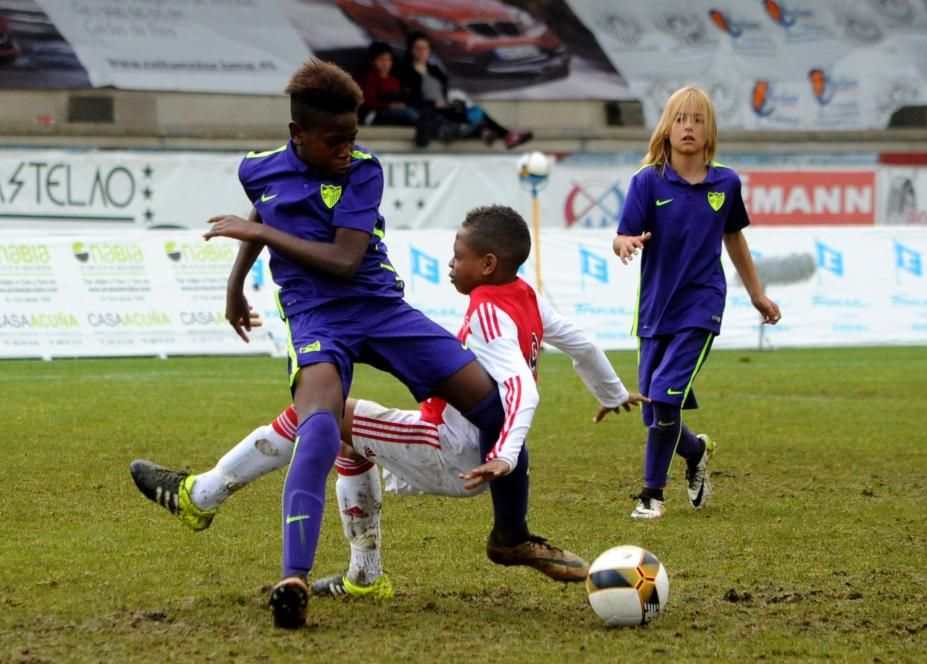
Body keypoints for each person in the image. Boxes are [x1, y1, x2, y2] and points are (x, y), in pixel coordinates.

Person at [186, 59, 582, 628]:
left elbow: (345, 260)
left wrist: (260, 234)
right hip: (316, 316)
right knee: (321, 423)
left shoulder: (364, 170)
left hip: (378, 305)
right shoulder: (258, 169)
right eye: (334, 140)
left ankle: (511, 536)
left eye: (354, 135)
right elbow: (264, 203)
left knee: (492, 403)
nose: (348, 147)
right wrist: (235, 286)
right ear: (297, 135)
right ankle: (295, 576)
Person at [131, 205, 646, 600]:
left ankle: (203, 494)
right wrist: (613, 391)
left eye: (458, 255)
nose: (449, 262)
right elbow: (580, 340)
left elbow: (521, 388)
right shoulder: (523, 296)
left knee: (325, 414)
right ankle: (364, 576)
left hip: (455, 451)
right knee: (345, 440)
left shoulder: (489, 312)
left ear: (487, 264)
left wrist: (506, 457)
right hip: (471, 450)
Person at [613, 86, 781, 521]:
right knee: (655, 412)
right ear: (667, 129)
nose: (689, 127)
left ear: (710, 132)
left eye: (698, 120)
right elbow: (621, 235)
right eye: (680, 119)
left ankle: (651, 496)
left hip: (701, 306)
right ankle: (696, 451)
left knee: (666, 395)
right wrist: (625, 242)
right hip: (654, 311)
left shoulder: (726, 182)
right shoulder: (647, 181)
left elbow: (734, 237)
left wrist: (757, 293)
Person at [397, 31, 533, 149]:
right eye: (418, 48)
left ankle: (501, 134)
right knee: (462, 123)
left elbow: (444, 92)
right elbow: (410, 97)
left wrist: (450, 104)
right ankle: (489, 133)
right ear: (411, 50)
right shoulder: (406, 71)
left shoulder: (435, 71)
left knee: (476, 112)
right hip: (428, 112)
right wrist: (433, 104)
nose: (421, 52)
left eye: (425, 48)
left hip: (445, 109)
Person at [357, 41, 433, 147]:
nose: (385, 63)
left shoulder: (394, 80)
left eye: (388, 60)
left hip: (394, 113)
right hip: (374, 115)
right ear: (373, 61)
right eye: (381, 60)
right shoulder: (370, 78)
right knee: (408, 114)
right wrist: (389, 106)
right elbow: (368, 101)